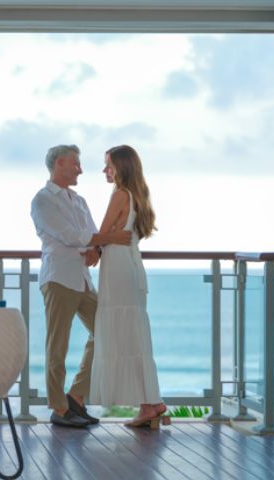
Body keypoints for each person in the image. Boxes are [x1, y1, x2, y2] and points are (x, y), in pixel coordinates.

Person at [30, 144, 132, 428]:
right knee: (57, 347)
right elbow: (69, 235)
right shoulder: (42, 200)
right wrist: (107, 240)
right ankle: (59, 409)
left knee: (107, 330)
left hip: (83, 280)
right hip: (58, 279)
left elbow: (91, 235)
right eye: (76, 164)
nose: (81, 170)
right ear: (60, 164)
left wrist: (96, 249)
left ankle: (76, 396)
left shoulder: (79, 200)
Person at [88, 144, 170, 429]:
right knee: (133, 337)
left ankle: (150, 405)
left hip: (118, 269)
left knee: (124, 335)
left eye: (108, 165)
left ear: (121, 167)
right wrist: (109, 238)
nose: (104, 170)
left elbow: (100, 235)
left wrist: (99, 242)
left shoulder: (121, 194)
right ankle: (151, 403)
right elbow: (111, 236)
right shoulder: (137, 196)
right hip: (130, 267)